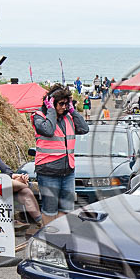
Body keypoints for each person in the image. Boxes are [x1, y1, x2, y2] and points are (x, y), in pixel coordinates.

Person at [31, 84, 89, 223]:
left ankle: (62, 237)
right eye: (61, 104)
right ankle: (48, 238)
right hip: (48, 171)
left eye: (67, 103)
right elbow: (49, 130)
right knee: (49, 210)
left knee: (67, 210)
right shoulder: (38, 117)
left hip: (67, 171)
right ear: (51, 102)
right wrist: (51, 110)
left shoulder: (68, 116)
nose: (64, 107)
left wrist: (73, 111)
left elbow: (84, 129)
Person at [0, 154, 43, 228]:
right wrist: (14, 179)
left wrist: (16, 176)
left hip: (8, 189)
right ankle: (28, 184)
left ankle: (40, 221)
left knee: (26, 192)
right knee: (12, 182)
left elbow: (8, 171)